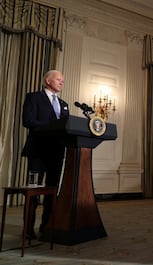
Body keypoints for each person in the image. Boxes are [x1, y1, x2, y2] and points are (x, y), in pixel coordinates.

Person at [21, 70, 69, 239]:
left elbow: (66, 127)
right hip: (38, 151)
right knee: (33, 191)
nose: (62, 82)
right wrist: (52, 127)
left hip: (56, 152)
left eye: (63, 80)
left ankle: (46, 226)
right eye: (59, 79)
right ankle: (28, 229)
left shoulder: (64, 104)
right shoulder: (33, 97)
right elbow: (28, 121)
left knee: (51, 191)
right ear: (48, 81)